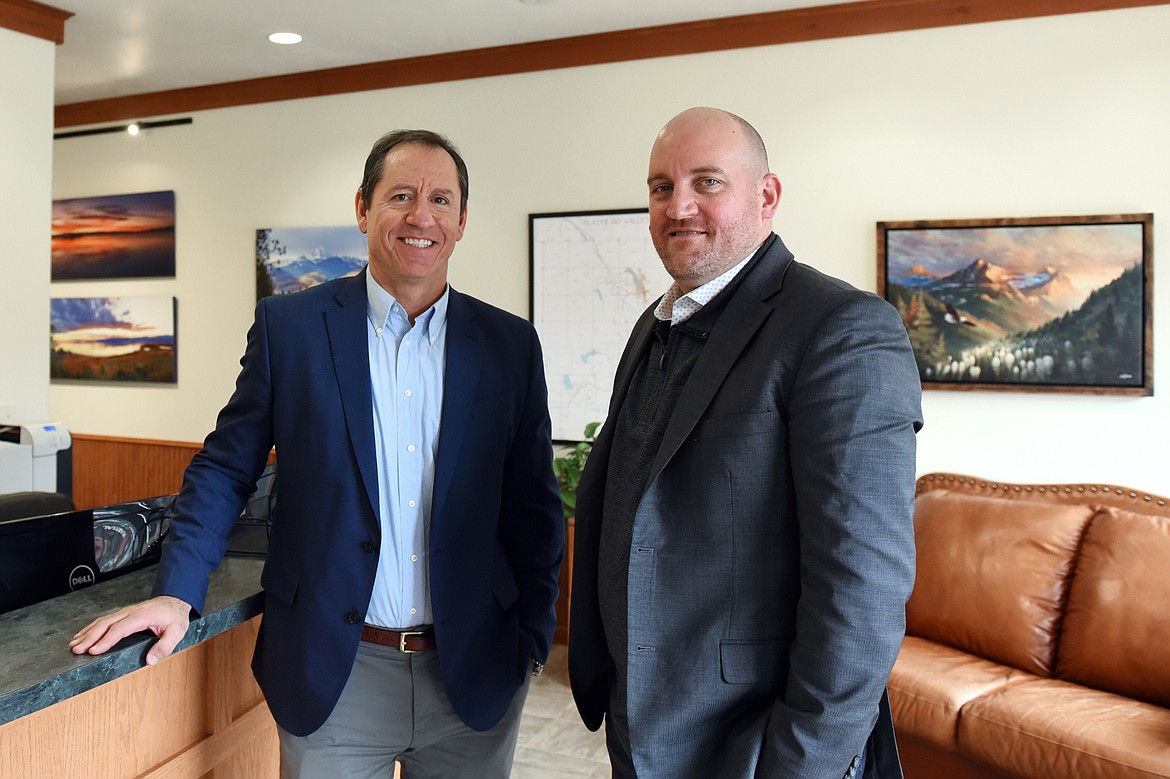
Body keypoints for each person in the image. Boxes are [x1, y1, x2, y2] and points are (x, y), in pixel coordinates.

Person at [71, 129, 565, 779]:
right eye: (401, 196)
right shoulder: (291, 329)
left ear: (462, 220)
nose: (422, 216)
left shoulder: (509, 345)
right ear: (363, 207)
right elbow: (226, 467)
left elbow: (534, 504)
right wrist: (177, 593)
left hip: (474, 675)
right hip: (335, 675)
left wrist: (533, 638)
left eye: (441, 199)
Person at [568, 107, 923, 779]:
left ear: (766, 195)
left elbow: (862, 589)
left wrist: (800, 764)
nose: (679, 206)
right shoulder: (653, 325)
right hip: (641, 724)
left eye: (707, 182)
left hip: (754, 746)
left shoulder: (841, 328)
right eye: (662, 187)